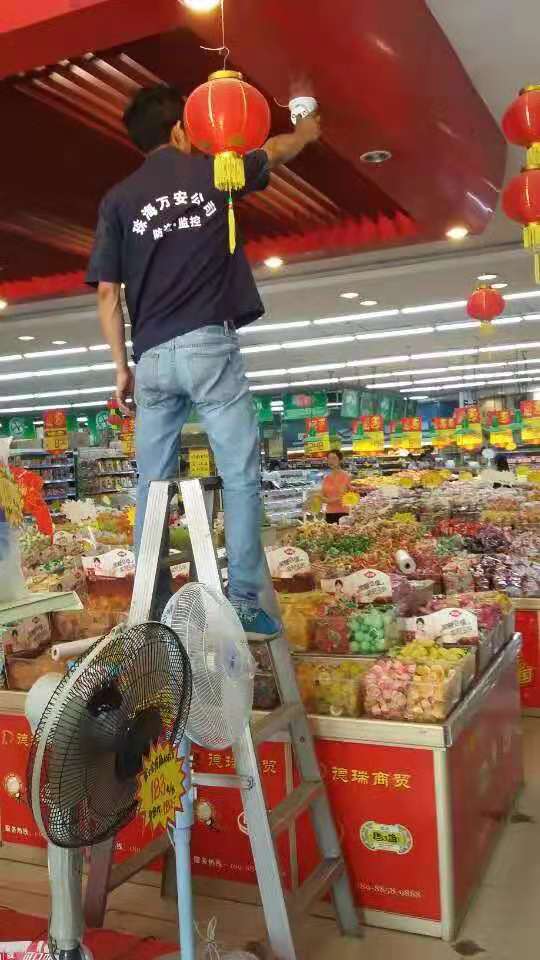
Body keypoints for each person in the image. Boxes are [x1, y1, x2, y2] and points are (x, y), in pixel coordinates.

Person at [86, 84, 320, 639]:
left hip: (151, 360)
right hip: (208, 349)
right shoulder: (217, 170)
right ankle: (243, 598)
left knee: (152, 483)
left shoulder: (117, 200)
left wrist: (121, 368)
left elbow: (107, 293)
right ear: (180, 130)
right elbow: (276, 150)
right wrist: (306, 131)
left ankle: (150, 600)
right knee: (238, 472)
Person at [321, 450, 351, 524]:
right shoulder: (326, 478)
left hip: (343, 513)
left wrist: (328, 500)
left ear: (340, 460)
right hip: (329, 513)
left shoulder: (347, 476)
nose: (331, 461)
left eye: (334, 458)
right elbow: (322, 496)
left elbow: (345, 496)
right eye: (329, 458)